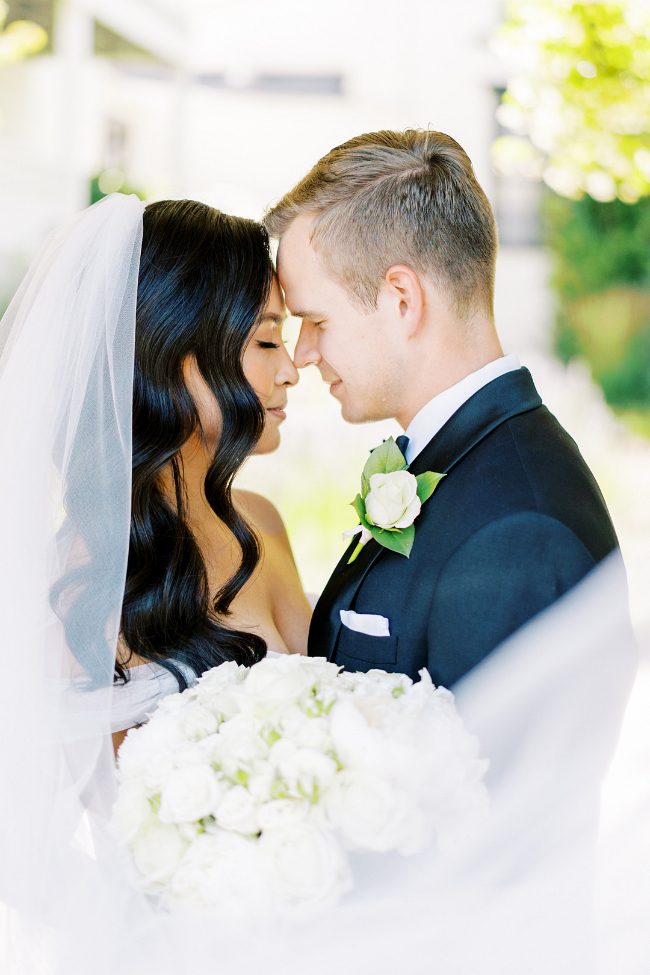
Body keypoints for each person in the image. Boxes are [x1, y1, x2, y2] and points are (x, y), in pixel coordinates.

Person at [264, 128, 618, 686]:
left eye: (317, 320)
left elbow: (488, 771)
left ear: (402, 300)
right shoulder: (469, 458)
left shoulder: (517, 533)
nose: (303, 353)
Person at [97, 199, 311, 751]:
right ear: (177, 355)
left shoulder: (261, 519)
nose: (289, 369)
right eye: (267, 340)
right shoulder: (94, 566)